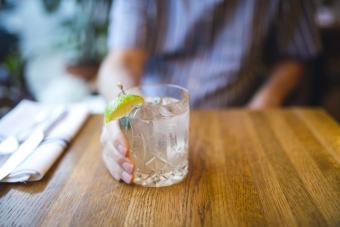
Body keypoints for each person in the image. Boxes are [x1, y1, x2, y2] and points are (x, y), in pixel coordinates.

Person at [99, 0, 321, 183]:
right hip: (152, 120)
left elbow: (296, 55)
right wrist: (120, 114)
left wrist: (262, 106)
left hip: (238, 118)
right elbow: (121, 60)